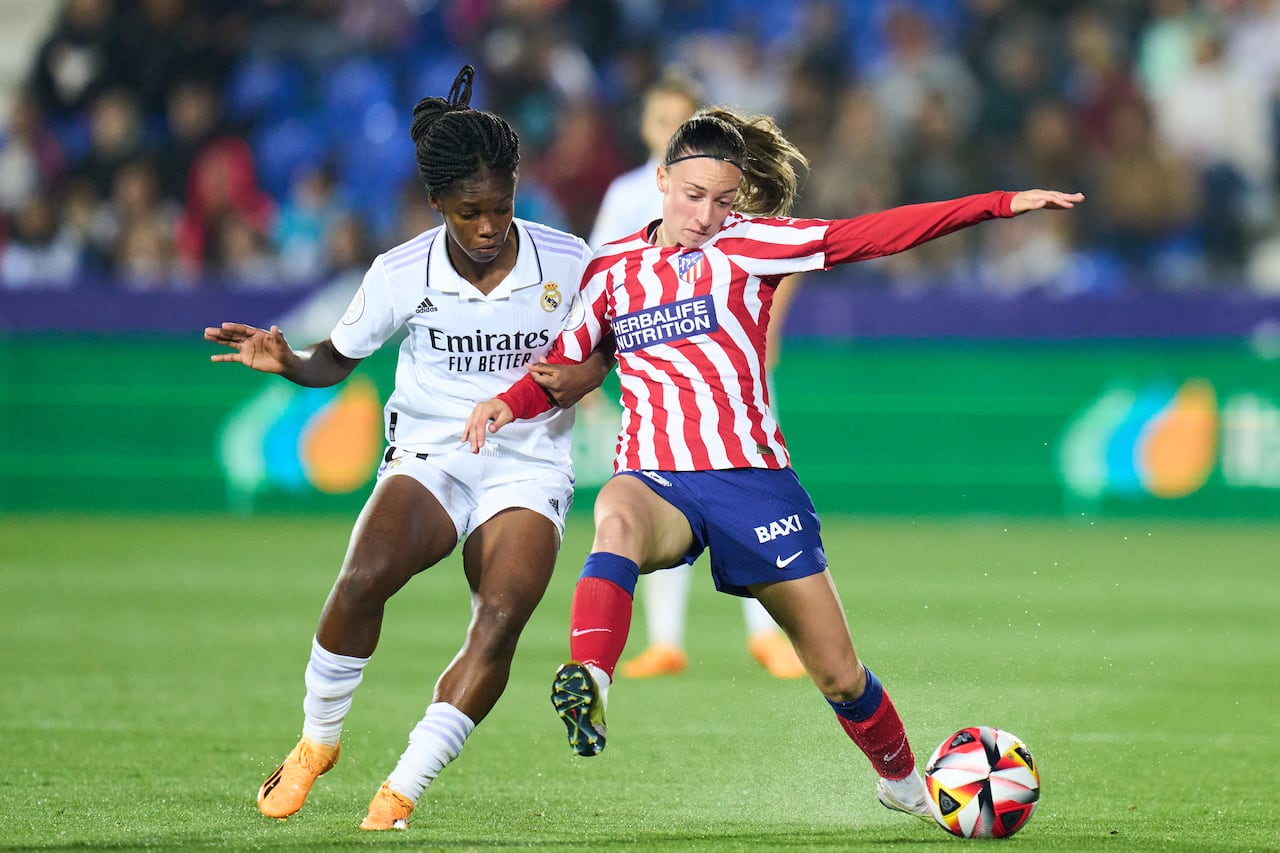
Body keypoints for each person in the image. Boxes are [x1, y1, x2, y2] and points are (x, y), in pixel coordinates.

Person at [463, 106, 1082, 821]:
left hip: (753, 484)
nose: (705, 214)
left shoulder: (754, 245)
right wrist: (508, 401)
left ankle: (903, 781)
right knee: (615, 515)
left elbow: (873, 235)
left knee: (839, 672)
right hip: (658, 476)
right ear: (661, 180)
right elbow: (568, 362)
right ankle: (592, 678)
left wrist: (998, 205)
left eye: (722, 200)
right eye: (692, 196)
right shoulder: (610, 272)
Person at [204, 65, 599, 831]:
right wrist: (289, 361)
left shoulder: (568, 260)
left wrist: (577, 377)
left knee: (503, 612)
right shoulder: (399, 273)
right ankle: (318, 742)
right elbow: (334, 360)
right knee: (363, 577)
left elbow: (603, 350)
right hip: (430, 452)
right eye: (470, 212)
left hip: (529, 460)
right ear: (437, 204)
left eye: (501, 208)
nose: (488, 227)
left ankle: (403, 786)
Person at [589, 69, 805, 680]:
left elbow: (780, 260)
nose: (666, 130)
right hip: (656, 379)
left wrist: (767, 336)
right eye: (659, 119)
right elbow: (598, 283)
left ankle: (771, 634)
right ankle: (665, 640)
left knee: (752, 493)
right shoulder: (628, 194)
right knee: (659, 495)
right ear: (645, 126)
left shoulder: (717, 188)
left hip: (730, 374)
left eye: (676, 119)